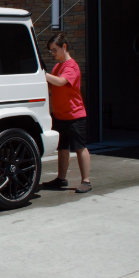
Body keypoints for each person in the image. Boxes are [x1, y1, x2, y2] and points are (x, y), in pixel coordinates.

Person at [41, 32, 92, 193]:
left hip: (74, 116)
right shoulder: (58, 67)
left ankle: (86, 181)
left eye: (55, 50)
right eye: (51, 51)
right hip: (60, 115)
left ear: (64, 47)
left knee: (80, 147)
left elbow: (61, 82)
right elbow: (53, 86)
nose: (53, 53)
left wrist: (43, 74)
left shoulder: (71, 66)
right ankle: (61, 179)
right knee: (62, 148)